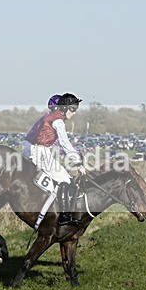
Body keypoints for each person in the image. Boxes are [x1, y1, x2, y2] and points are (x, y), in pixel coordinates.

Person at [27, 92, 86, 227]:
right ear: (64, 108)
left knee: (63, 177)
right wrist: (77, 164)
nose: (74, 112)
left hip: (41, 150)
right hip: (40, 152)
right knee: (65, 179)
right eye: (72, 109)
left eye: (75, 109)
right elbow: (64, 144)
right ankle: (64, 217)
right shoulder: (58, 121)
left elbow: (60, 144)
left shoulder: (53, 117)